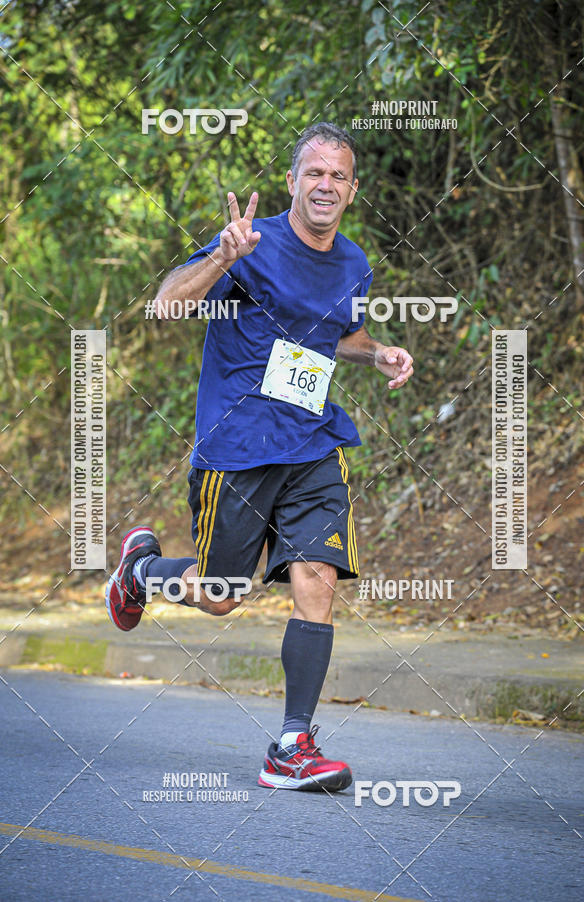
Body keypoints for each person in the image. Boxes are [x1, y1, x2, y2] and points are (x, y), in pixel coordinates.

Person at [105, 122, 413, 792]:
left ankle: (293, 744)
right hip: (239, 450)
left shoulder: (354, 262)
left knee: (316, 580)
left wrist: (379, 352)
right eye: (314, 172)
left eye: (338, 175)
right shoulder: (250, 244)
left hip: (314, 442)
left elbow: (342, 335)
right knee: (223, 596)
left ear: (353, 189)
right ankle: (142, 572)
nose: (325, 185)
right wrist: (222, 257)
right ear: (291, 181)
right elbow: (163, 307)